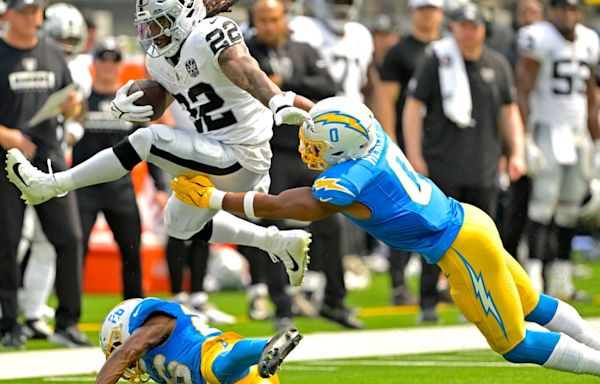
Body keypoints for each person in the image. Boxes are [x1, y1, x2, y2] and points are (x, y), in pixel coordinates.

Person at [174, 96, 600, 377]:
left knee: (515, 344)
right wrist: (298, 106)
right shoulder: (369, 135)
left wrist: (217, 198)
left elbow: (289, 207)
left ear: (339, 150)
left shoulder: (347, 180)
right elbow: (337, 116)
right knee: (532, 304)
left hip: (460, 248)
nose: (310, 151)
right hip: (470, 222)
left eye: (317, 145)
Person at [5, 0, 313, 288]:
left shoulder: (209, 34)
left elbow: (244, 67)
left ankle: (52, 184)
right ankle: (277, 242)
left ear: (185, 13)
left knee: (147, 140)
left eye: (161, 22)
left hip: (243, 154)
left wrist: (276, 99)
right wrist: (135, 104)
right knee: (178, 223)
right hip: (216, 151)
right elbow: (170, 95)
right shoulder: (162, 62)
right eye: (148, 26)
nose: (154, 33)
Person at [403, 2, 526, 322]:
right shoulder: (437, 61)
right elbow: (413, 108)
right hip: (442, 162)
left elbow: (508, 111)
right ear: (454, 27)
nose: (470, 33)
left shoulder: (497, 64)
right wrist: (414, 155)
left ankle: (481, 302)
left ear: (484, 29)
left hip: (483, 163)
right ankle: (428, 302)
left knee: (482, 238)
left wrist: (517, 151)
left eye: (475, 26)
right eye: (464, 26)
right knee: (435, 234)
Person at [246, 0, 361, 330]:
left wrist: (288, 83)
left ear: (285, 19)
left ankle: (334, 301)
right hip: (272, 152)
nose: (269, 26)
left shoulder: (303, 50)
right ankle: (282, 305)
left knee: (331, 224)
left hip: (310, 153)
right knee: (274, 227)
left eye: (274, 19)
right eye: (263, 20)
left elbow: (328, 87)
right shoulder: (246, 53)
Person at [0, 0, 89, 348]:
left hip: (50, 159)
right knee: (6, 243)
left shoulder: (53, 55)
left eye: (36, 11)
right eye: (24, 11)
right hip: (7, 161)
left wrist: (74, 106)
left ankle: (68, 321)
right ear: (8, 15)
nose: (32, 17)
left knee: (69, 237)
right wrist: (5, 135)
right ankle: (9, 323)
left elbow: (75, 108)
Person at [516, 0, 600, 300]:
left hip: (577, 134)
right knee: (542, 206)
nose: (569, 15)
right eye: (563, 8)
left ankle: (562, 280)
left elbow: (591, 95)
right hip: (548, 130)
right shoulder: (538, 37)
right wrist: (523, 137)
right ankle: (533, 279)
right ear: (550, 11)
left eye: (574, 9)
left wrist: (596, 140)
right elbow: (523, 89)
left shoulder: (589, 40)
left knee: (569, 211)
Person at [378, 0, 445, 314]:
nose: (427, 14)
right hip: (407, 143)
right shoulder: (400, 51)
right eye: (422, 9)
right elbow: (387, 99)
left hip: (443, 144)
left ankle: (440, 283)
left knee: (438, 215)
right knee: (404, 215)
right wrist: (391, 141)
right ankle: (398, 283)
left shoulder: (449, 50)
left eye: (432, 8)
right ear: (413, 12)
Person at [96, 297, 301, 384]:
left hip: (215, 354)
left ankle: (267, 345)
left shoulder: (154, 323)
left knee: (216, 368)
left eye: (115, 347)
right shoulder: (152, 365)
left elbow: (126, 354)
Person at [498, 0, 544, 265]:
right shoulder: (510, 49)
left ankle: (543, 258)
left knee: (545, 202)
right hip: (517, 133)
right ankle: (512, 255)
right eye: (524, 13)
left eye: (534, 13)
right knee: (515, 199)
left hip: (546, 129)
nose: (529, 18)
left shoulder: (552, 45)